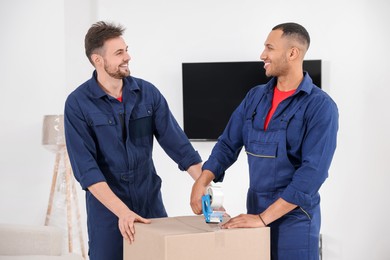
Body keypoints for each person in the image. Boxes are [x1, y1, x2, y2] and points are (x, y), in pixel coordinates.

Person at [190, 22, 338, 260]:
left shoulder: (320, 107)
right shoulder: (255, 97)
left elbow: (312, 174)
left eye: (270, 48)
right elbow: (228, 144)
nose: (262, 55)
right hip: (255, 210)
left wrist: (263, 219)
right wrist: (203, 179)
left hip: (296, 220)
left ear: (292, 53)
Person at [64, 21, 202, 260]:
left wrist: (204, 185)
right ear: (98, 60)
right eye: (119, 53)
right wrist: (122, 212)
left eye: (126, 49)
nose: (128, 56)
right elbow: (86, 170)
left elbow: (178, 145)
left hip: (149, 201)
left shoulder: (148, 94)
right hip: (108, 209)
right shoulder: (77, 104)